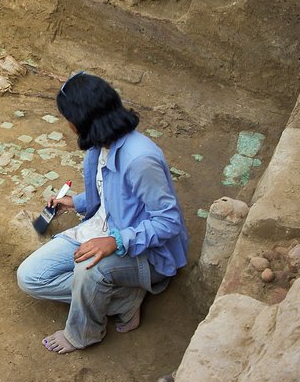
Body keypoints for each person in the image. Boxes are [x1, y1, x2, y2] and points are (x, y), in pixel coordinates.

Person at [16, 72, 188, 354]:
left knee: (88, 270)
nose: (67, 124)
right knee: (30, 277)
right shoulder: (99, 146)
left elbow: (169, 222)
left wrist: (115, 241)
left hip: (146, 252)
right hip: (100, 228)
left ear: (81, 120)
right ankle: (124, 301)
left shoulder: (140, 159)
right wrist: (76, 203)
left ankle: (83, 333)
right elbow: (112, 194)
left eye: (67, 117)